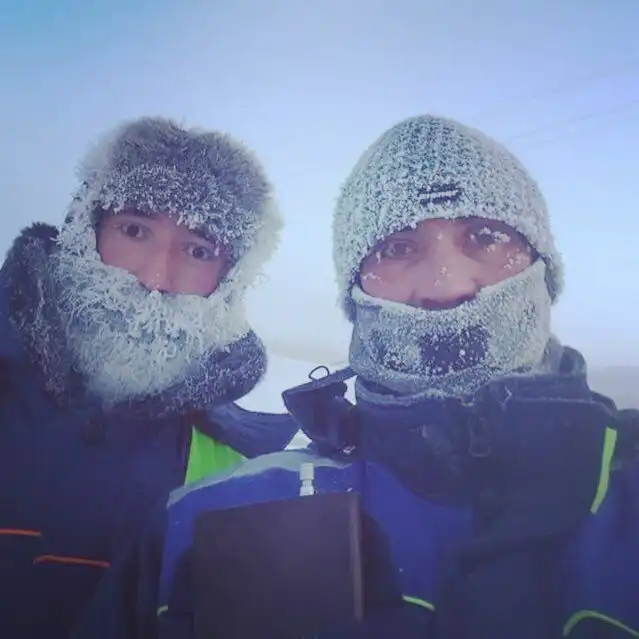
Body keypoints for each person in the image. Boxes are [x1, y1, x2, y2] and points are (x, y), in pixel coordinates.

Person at [74, 115, 639, 639]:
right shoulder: (208, 521)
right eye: (399, 247)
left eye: (486, 238)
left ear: (544, 266)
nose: (445, 284)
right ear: (354, 291)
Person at [0, 116, 297, 639]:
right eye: (135, 230)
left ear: (230, 281)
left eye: (198, 250)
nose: (155, 279)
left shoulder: (244, 474)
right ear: (84, 230)